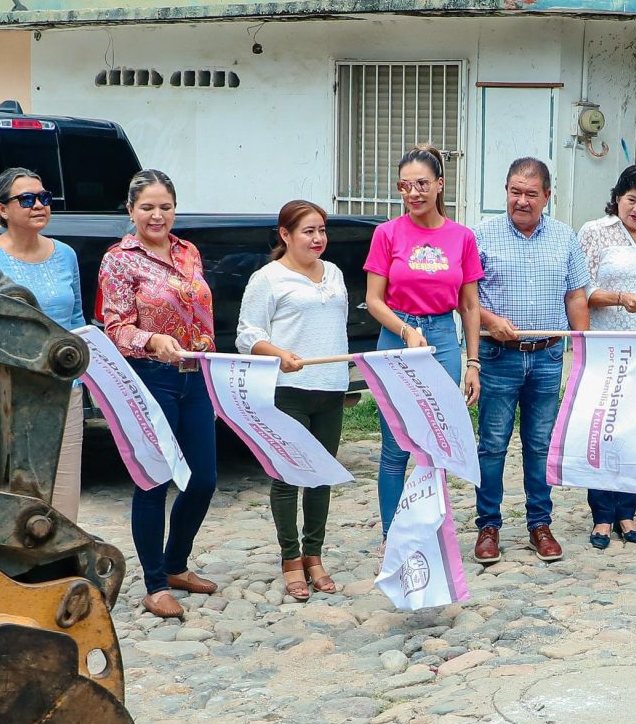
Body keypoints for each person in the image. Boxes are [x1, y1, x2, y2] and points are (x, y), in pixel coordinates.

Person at [99, 169, 221, 618]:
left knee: (204, 478)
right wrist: (150, 341)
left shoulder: (188, 252)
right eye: (147, 207)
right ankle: (154, 583)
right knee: (153, 479)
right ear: (131, 211)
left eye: (165, 206)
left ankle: (176, 564)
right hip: (151, 376)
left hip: (196, 374)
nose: (157, 215)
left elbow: (199, 314)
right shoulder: (119, 259)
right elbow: (114, 327)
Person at [473, 156, 590, 564]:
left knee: (540, 445)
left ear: (547, 196)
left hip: (547, 356)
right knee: (491, 445)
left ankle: (540, 524)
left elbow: (576, 296)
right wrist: (490, 320)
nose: (522, 201)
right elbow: (464, 300)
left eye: (531, 194)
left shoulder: (565, 237)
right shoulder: (482, 235)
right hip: (497, 355)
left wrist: (583, 350)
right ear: (506, 191)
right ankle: (488, 526)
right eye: (515, 192)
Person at [363, 147, 483, 532]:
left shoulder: (461, 237)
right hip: (396, 337)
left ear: (439, 185)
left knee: (437, 443)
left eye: (422, 184)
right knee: (395, 445)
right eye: (405, 185)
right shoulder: (387, 233)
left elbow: (469, 306)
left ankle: (430, 532)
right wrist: (405, 329)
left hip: (443, 339)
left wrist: (473, 362)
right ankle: (390, 536)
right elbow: (373, 300)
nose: (413, 193)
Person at [0, 167, 86, 516]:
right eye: (26, 199)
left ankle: (57, 567)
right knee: (4, 493)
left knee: (61, 493)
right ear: (2, 209)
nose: (38, 205)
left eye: (44, 198)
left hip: (61, 389)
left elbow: (76, 323)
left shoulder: (66, 255)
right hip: (4, 390)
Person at [238, 200, 349, 601]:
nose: (318, 238)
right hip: (288, 392)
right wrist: (278, 354)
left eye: (322, 230)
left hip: (331, 388)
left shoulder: (333, 273)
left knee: (321, 476)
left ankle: (314, 556)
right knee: (287, 477)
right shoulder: (267, 279)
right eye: (308, 231)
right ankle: (290, 559)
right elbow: (247, 335)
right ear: (285, 235)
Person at [579, 163, 636, 546]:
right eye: (631, 199)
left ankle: (627, 513)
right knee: (604, 428)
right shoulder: (594, 233)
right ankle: (601, 515)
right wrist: (618, 298)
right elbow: (582, 292)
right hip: (606, 346)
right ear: (617, 198)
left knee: (635, 428)